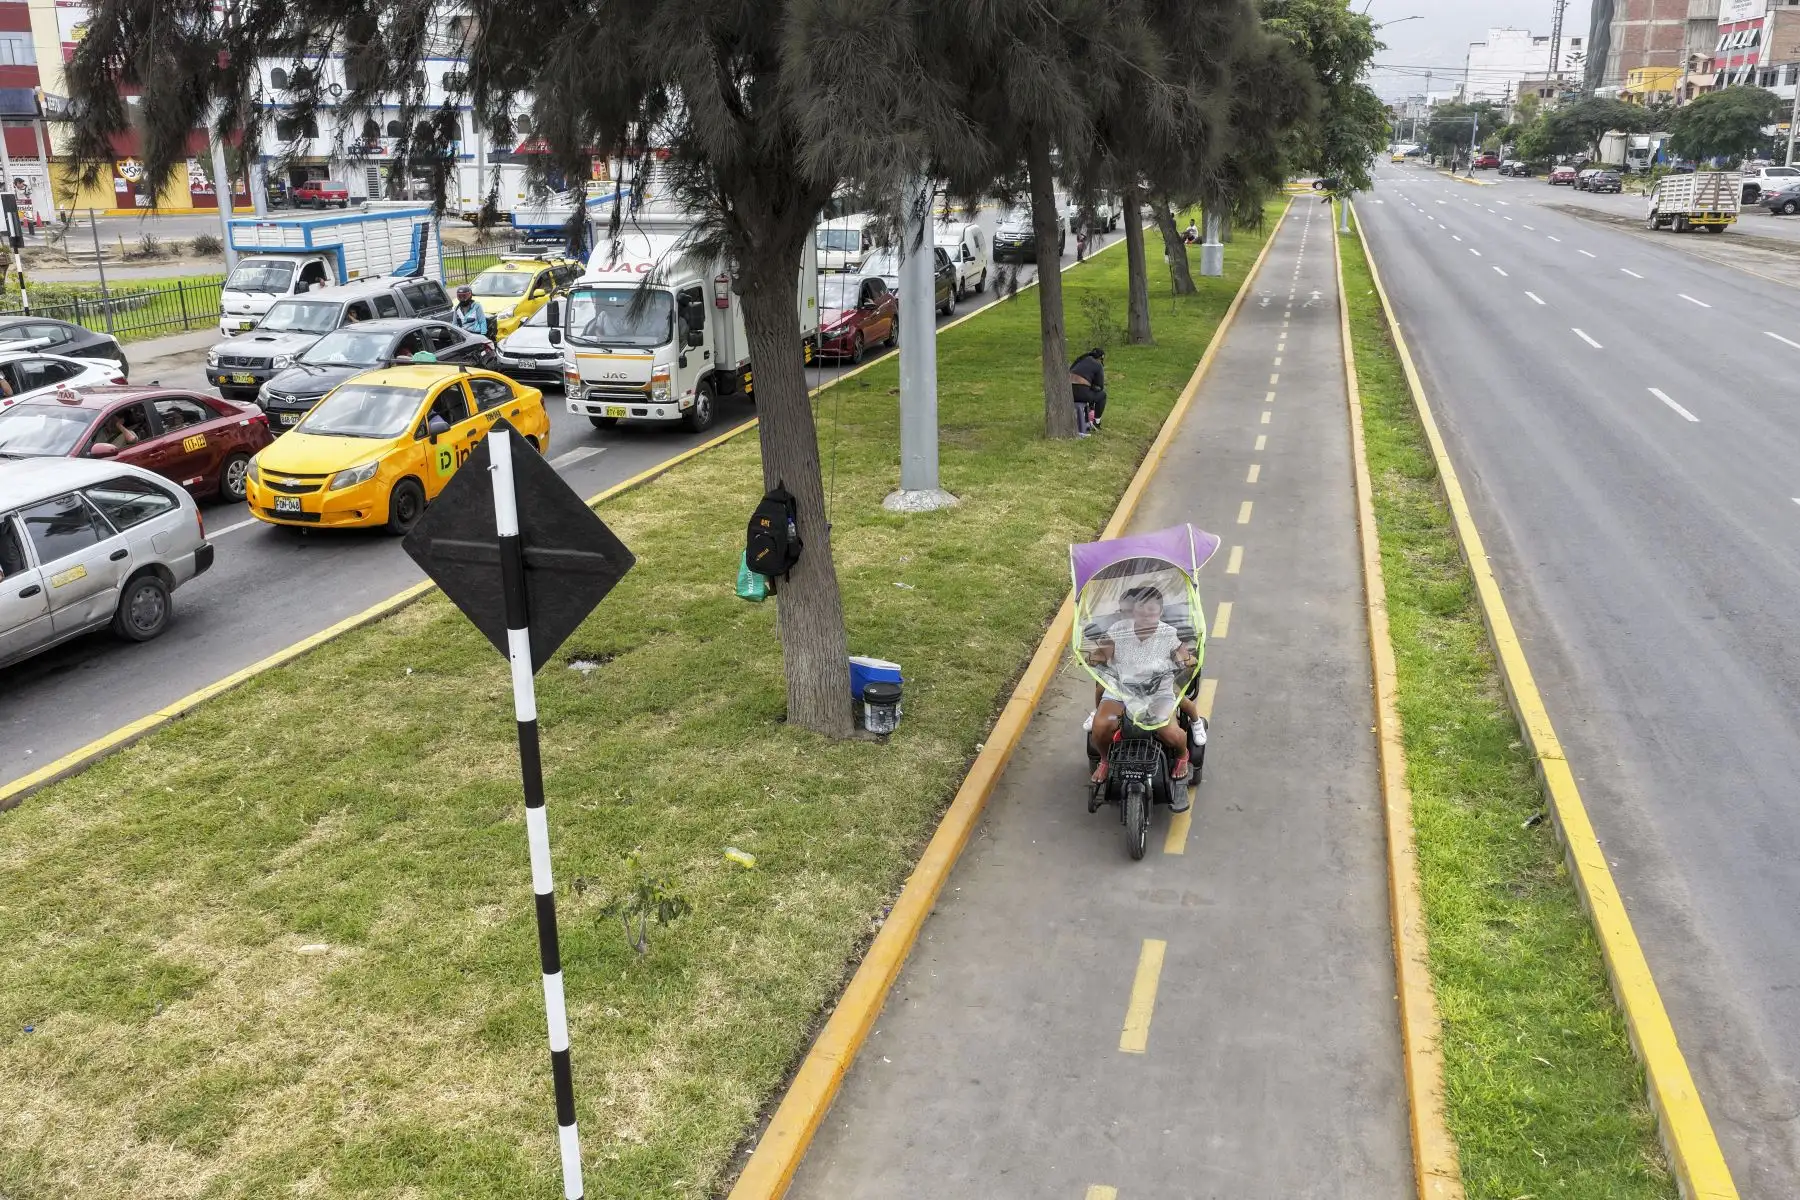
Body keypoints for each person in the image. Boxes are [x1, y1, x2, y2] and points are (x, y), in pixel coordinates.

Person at [1086, 585, 1197, 797]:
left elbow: (1183, 656)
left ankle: (1183, 755)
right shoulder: (1119, 629)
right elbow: (1103, 654)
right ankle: (1105, 759)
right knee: (1100, 727)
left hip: (1157, 692)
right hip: (1121, 690)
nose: (1146, 615)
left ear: (1160, 612)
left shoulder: (1169, 634)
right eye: (1141, 610)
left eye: (1152, 611)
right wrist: (1093, 658)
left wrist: (1186, 660)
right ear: (1133, 610)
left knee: (1170, 734)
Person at [1070, 346, 1106, 434]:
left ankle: (1087, 416)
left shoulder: (1080, 360)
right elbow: (1100, 386)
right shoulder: (1098, 365)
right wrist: (1092, 386)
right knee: (1102, 395)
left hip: (1068, 392)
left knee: (1089, 391)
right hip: (1082, 394)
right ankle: (1097, 422)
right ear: (1100, 358)